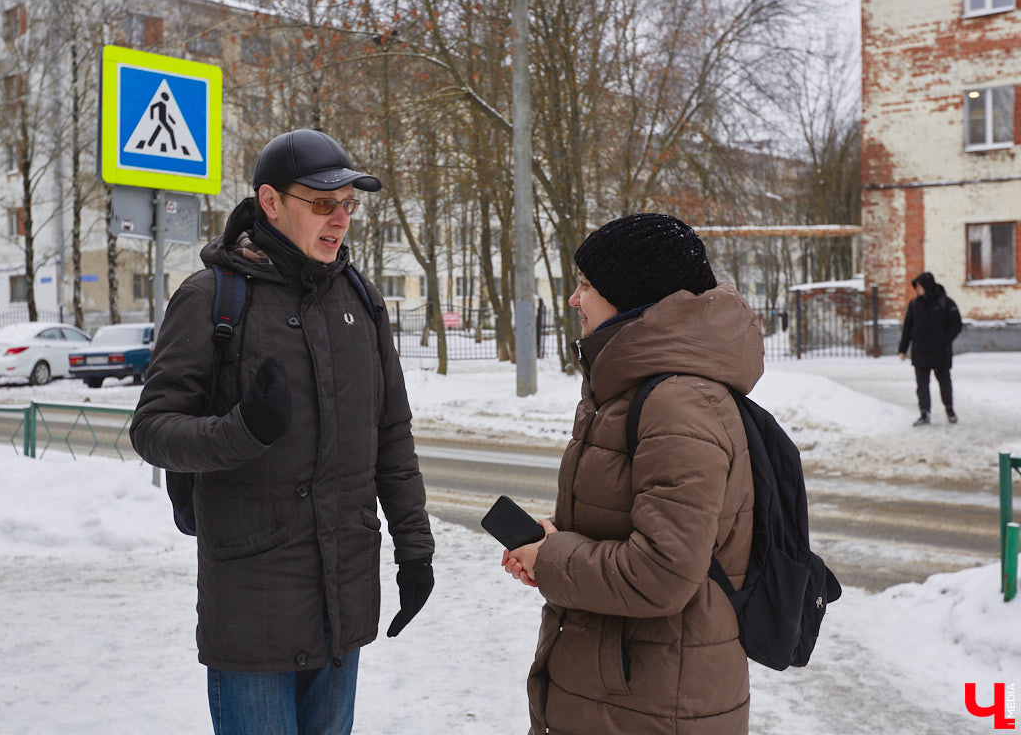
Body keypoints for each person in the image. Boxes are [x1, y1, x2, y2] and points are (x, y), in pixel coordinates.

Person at [130, 129, 435, 735]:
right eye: (323, 203)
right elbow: (153, 429)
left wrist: (415, 548)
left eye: (349, 204)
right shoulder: (211, 298)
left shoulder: (361, 300)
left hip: (341, 600)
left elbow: (391, 437)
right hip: (253, 606)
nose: (340, 220)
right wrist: (242, 430)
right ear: (270, 202)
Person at [502, 213, 761, 735]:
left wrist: (551, 558)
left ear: (631, 297)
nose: (575, 299)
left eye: (587, 286)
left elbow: (663, 573)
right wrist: (554, 541)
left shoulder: (678, 402)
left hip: (653, 704)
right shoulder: (631, 388)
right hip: (619, 692)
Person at [898, 271, 962, 425]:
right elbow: (908, 328)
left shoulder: (945, 303)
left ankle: (949, 408)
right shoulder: (914, 304)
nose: (917, 289)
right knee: (922, 385)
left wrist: (945, 341)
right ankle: (924, 413)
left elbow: (956, 324)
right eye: (917, 287)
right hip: (920, 351)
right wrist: (903, 349)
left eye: (919, 286)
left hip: (941, 352)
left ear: (927, 286)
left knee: (944, 382)